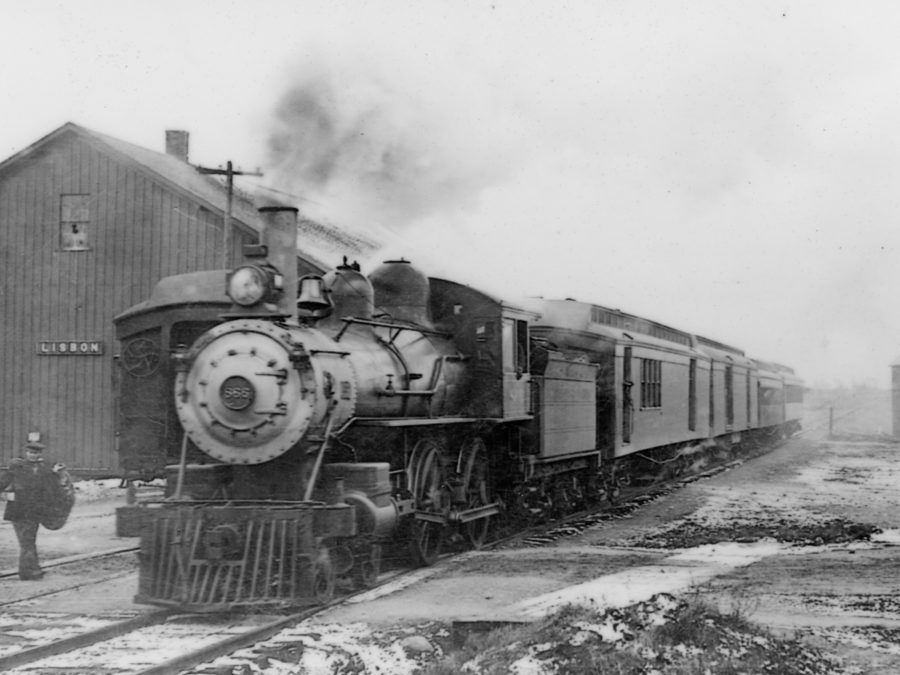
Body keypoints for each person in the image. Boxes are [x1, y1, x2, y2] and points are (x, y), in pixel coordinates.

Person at [0, 441, 68, 580]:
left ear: (40, 454)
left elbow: (50, 486)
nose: (33, 456)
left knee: (29, 540)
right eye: (30, 453)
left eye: (36, 453)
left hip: (35, 511)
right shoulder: (17, 467)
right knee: (27, 541)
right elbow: (3, 481)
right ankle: (28, 572)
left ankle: (32, 569)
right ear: (26, 453)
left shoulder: (44, 469)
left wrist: (56, 474)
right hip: (18, 510)